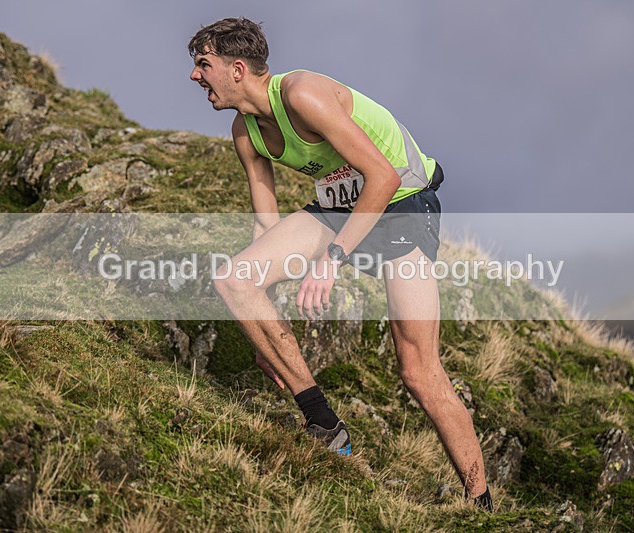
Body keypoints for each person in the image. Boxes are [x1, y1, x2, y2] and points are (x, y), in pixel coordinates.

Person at [188, 17, 493, 511]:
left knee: (418, 370)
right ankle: (323, 422)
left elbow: (381, 178)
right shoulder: (245, 130)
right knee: (236, 280)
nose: (195, 77)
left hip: (401, 205)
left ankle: (480, 502)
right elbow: (266, 228)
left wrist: (331, 260)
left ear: (237, 69)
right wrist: (263, 327)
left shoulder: (303, 94)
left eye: (204, 65)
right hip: (339, 208)